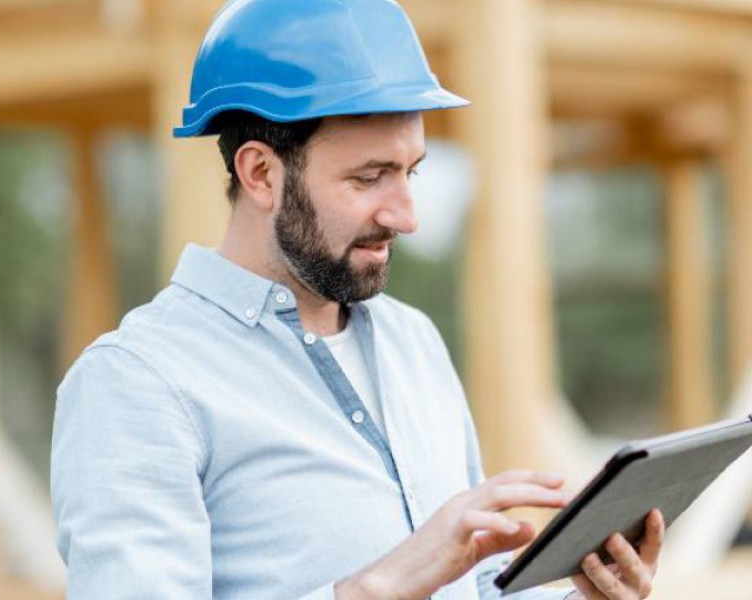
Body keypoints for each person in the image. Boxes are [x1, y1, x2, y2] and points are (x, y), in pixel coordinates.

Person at [51, 0, 665, 598]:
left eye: (411, 171)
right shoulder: (137, 383)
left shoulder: (413, 339)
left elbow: (475, 590)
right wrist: (377, 588)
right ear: (261, 173)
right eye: (369, 177)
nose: (406, 215)